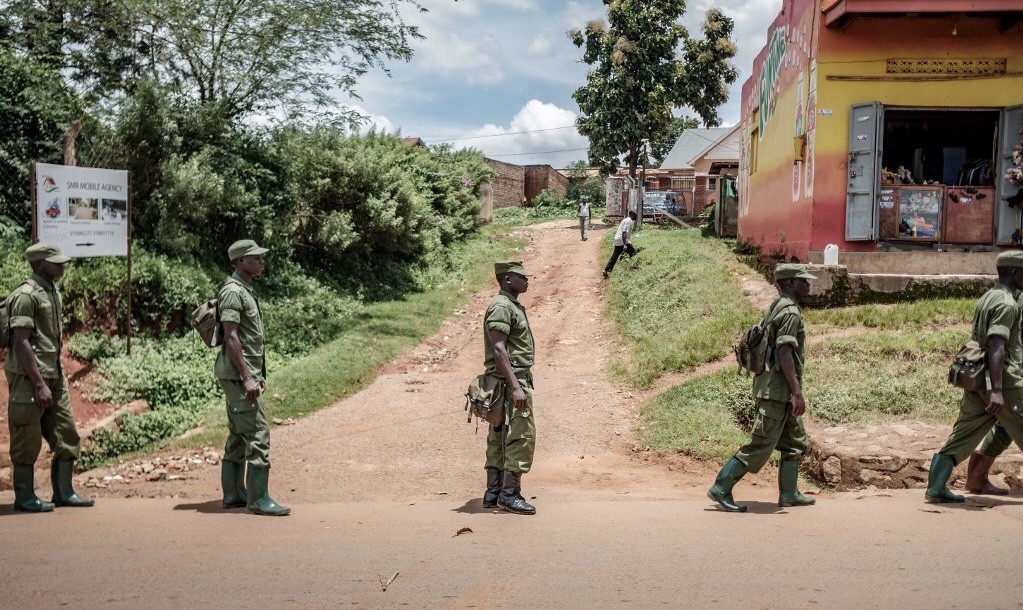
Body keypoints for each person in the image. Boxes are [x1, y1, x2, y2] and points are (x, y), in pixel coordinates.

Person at [707, 263, 817, 512]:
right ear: (790, 283)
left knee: (794, 442)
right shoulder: (789, 312)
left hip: (777, 389)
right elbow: (785, 354)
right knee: (761, 444)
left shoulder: (776, 307)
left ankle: (789, 493)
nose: (808, 284)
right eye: (803, 280)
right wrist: (797, 392)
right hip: (777, 392)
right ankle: (721, 487)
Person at [926, 250, 1023, 503]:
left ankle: (935, 487)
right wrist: (998, 390)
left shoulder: (987, 297)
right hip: (1006, 382)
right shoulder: (1008, 304)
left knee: (962, 435)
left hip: (978, 380)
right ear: (1014, 273)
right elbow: (996, 345)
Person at [5, 243, 93, 512]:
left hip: (53, 375)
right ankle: (24, 497)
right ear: (39, 263)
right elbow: (21, 343)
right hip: (29, 379)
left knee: (67, 434)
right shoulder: (26, 295)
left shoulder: (52, 291)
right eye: (56, 262)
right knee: (26, 439)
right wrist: (39, 383)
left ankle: (64, 492)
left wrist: (51, 379)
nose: (62, 265)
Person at [215, 239, 290, 516]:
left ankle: (234, 494)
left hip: (241, 373)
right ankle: (258, 499)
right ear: (238, 262)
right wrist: (247, 377)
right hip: (238, 375)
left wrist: (257, 374)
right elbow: (232, 336)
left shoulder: (245, 289)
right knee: (258, 432)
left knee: (238, 433)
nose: (260, 260)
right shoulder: (233, 292)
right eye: (254, 256)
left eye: (260, 256)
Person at [481, 261, 537, 515]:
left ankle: (493, 493)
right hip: (509, 381)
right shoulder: (502, 306)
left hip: (506, 380)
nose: (526, 280)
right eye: (520, 277)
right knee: (519, 436)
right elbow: (498, 348)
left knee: (500, 435)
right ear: (506, 279)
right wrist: (516, 386)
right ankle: (510, 494)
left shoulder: (508, 305)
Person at [603, 211, 638, 279]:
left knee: (615, 256)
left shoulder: (625, 220)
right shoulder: (629, 221)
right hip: (622, 240)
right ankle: (630, 267)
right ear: (633, 215)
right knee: (633, 253)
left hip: (617, 239)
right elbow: (624, 233)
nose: (637, 217)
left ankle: (606, 270)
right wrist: (625, 244)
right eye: (636, 215)